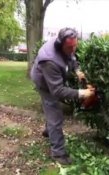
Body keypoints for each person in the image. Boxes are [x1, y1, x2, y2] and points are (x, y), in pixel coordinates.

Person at [30, 27, 95, 165]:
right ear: (61, 45)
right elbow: (58, 91)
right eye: (70, 47)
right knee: (55, 115)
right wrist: (82, 93)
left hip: (53, 81)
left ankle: (49, 131)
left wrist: (77, 70)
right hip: (44, 84)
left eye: (75, 46)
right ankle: (58, 153)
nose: (73, 50)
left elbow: (71, 57)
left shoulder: (66, 45)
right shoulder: (49, 61)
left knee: (51, 111)